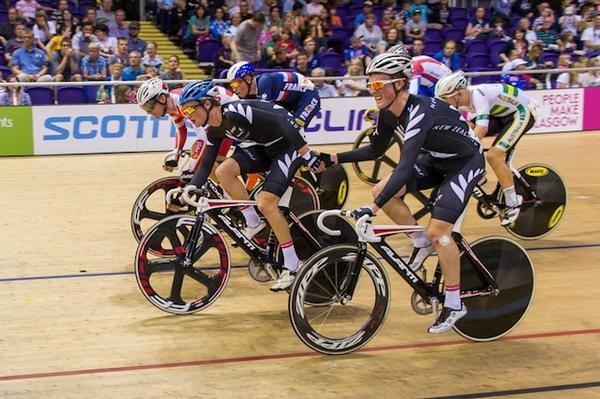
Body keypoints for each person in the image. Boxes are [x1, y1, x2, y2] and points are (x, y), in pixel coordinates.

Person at [319, 53, 484, 334]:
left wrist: (372, 209)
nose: (374, 91)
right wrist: (333, 157)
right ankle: (420, 241)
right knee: (382, 189)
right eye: (370, 85)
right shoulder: (388, 114)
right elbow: (374, 150)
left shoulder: (420, 111)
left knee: (439, 232)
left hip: (465, 163)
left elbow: (405, 166)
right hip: (438, 159)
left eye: (378, 85)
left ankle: (455, 304)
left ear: (400, 84)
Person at [177, 79, 323, 291]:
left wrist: (306, 153)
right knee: (223, 171)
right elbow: (206, 162)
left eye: (190, 108)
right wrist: (187, 191)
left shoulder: (236, 110)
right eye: (183, 111)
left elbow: (284, 119)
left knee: (267, 203)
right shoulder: (214, 131)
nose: (187, 115)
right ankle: (253, 222)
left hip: (287, 147)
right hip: (263, 148)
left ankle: (292, 264)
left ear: (207, 104)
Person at [435, 71, 537, 226]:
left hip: (522, 112)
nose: (444, 102)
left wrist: (463, 150)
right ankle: (481, 172)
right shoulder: (464, 100)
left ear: (458, 94)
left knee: (494, 156)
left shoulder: (478, 94)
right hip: (503, 113)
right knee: (468, 129)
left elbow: (482, 129)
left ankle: (513, 201)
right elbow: (466, 128)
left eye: (445, 98)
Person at [226, 61, 321, 129]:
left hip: (309, 95)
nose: (234, 89)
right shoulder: (254, 88)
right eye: (232, 85)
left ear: (248, 79)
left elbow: (267, 115)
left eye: (236, 84)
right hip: (291, 98)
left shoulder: (264, 83)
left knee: (295, 129)